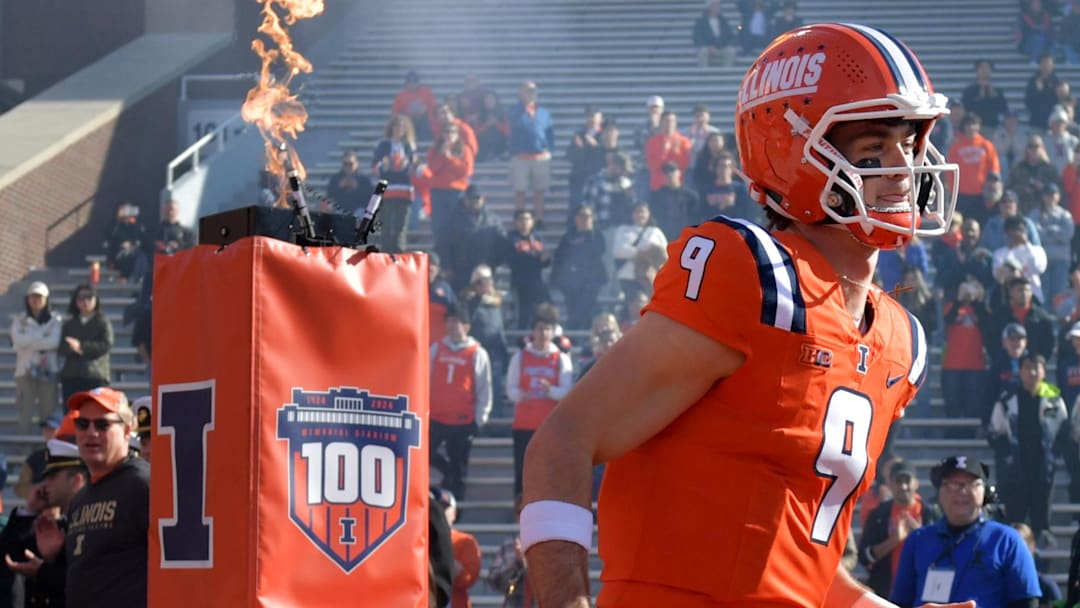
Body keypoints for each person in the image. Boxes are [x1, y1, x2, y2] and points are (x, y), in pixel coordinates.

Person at [520, 23, 965, 608]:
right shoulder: (753, 274)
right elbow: (562, 443)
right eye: (873, 150)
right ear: (792, 156)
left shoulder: (901, 341)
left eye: (909, 146)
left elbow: (798, 563)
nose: (904, 171)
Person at [33, 387, 149, 607]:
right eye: (83, 424)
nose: (91, 432)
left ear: (126, 431)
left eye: (103, 425)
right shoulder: (81, 498)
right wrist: (56, 557)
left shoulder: (143, 485)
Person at [891, 454, 1041, 608]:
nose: (962, 491)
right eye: (953, 484)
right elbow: (900, 602)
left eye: (971, 484)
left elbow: (1027, 603)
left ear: (985, 492)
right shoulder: (918, 540)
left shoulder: (1008, 540)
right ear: (939, 492)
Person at [987, 352, 1069, 546]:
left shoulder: (1054, 396)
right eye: (1027, 367)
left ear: (1043, 372)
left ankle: (1042, 562)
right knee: (1014, 519)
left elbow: (1064, 428)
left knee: (1041, 519)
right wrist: (1006, 454)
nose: (1032, 372)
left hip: (1042, 467)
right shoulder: (1008, 396)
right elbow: (995, 431)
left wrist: (1053, 454)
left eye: (1036, 368)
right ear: (1020, 371)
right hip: (1014, 468)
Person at [6, 439, 88, 607]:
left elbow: (85, 583)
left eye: (53, 477)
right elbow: (10, 558)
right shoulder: (56, 526)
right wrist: (30, 510)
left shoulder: (91, 522)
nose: (45, 484)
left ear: (77, 481)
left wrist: (43, 570)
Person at [506, 307, 572, 500]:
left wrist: (549, 390)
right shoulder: (520, 357)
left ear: (553, 332)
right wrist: (520, 395)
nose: (543, 333)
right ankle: (520, 509)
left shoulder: (561, 359)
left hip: (550, 426)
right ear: (532, 332)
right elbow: (511, 388)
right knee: (523, 469)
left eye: (547, 329)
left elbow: (567, 392)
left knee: (550, 469)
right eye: (539, 329)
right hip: (524, 424)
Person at [429, 306, 493, 501]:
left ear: (466, 326)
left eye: (456, 322)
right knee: (425, 454)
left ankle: (457, 506)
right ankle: (447, 474)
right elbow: (425, 378)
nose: (452, 326)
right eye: (449, 321)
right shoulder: (436, 348)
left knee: (460, 466)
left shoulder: (477, 352)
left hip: (462, 419)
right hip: (436, 417)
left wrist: (480, 418)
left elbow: (484, 387)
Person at [858, 461, 941, 599]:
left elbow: (946, 554)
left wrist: (921, 537)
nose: (903, 486)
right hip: (886, 594)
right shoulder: (878, 515)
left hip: (922, 594)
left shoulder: (932, 513)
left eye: (907, 481)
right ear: (890, 485)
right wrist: (894, 539)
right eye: (898, 481)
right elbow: (864, 557)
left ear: (916, 483)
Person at [11, 281, 61, 434]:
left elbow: (54, 342)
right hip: (24, 371)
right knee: (25, 408)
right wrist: (41, 336)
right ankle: (23, 444)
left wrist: (29, 339)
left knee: (48, 408)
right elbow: (18, 340)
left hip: (48, 370)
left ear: (46, 299)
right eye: (33, 296)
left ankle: (46, 447)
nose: (36, 300)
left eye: (39, 297)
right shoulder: (19, 320)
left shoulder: (55, 319)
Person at [372, 114, 420, 253]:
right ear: (391, 128)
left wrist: (410, 165)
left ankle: (399, 251)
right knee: (387, 223)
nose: (399, 130)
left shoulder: (409, 145)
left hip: (404, 190)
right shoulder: (384, 145)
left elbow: (415, 168)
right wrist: (384, 165)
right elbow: (375, 167)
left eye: (402, 127)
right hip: (388, 189)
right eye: (397, 126)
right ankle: (386, 251)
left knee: (401, 225)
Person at [508, 81, 555, 224]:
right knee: (520, 191)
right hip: (521, 157)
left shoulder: (543, 112)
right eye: (527, 90)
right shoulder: (514, 110)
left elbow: (550, 133)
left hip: (540, 157)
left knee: (539, 191)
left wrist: (550, 150)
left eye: (533, 90)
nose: (531, 93)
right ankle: (519, 220)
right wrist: (524, 105)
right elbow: (512, 122)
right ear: (520, 93)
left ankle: (539, 219)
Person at [57, 285, 112, 404]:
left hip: (95, 374)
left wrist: (81, 346)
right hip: (72, 375)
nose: (85, 301)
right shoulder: (70, 324)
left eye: (89, 297)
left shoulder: (102, 322)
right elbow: (61, 347)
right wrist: (72, 348)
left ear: (96, 300)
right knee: (72, 413)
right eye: (81, 298)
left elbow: (106, 345)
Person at [691, 0, 736, 67]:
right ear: (709, 7)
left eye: (718, 5)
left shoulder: (723, 21)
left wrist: (724, 45)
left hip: (722, 47)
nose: (718, 8)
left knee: (731, 51)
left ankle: (726, 72)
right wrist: (708, 47)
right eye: (715, 5)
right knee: (703, 51)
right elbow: (697, 37)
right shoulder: (701, 22)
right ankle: (704, 73)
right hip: (708, 48)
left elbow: (731, 36)